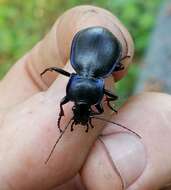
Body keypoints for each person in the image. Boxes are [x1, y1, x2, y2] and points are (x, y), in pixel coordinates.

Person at [0, 5, 170, 190]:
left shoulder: (82, 84)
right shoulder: (90, 88)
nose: (80, 110)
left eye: (76, 108)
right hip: (100, 44)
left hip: (93, 42)